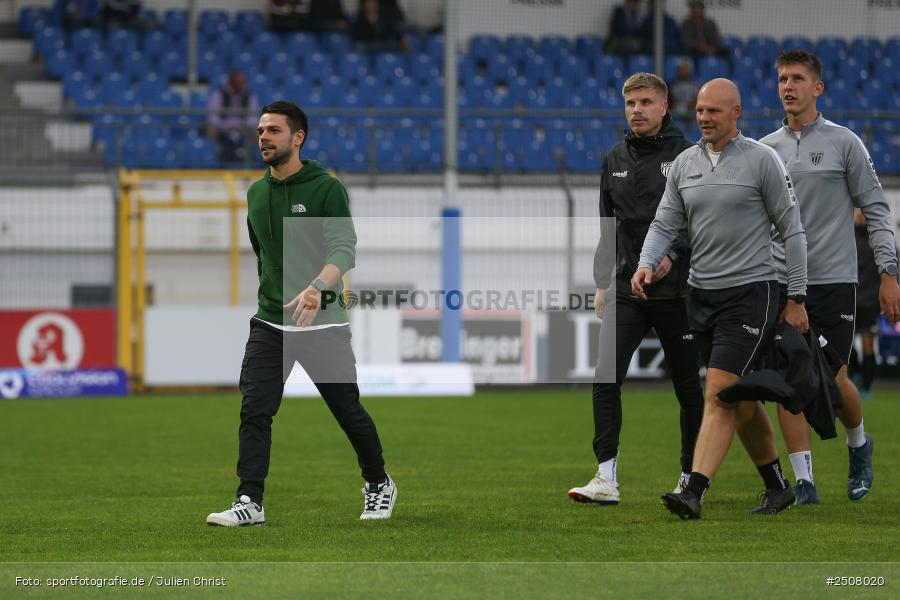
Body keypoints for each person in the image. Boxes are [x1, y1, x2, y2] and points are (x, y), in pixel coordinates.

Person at [206, 101, 396, 526]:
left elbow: (344, 250)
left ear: (298, 137)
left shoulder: (327, 188)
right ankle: (249, 501)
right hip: (271, 320)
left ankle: (379, 482)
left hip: (323, 321)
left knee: (347, 411)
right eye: (260, 130)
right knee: (255, 409)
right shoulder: (255, 194)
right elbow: (264, 255)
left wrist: (316, 288)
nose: (263, 138)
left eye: (273, 130)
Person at [634, 78, 809, 519]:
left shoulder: (762, 160)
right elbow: (664, 224)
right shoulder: (684, 165)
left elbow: (793, 230)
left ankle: (693, 489)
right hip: (702, 294)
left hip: (752, 292)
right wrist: (645, 263)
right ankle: (777, 487)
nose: (704, 118)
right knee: (741, 398)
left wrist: (798, 296)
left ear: (736, 113)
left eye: (714, 111)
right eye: (699, 111)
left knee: (719, 388)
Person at [758, 49, 900, 504]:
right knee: (786, 378)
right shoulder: (764, 150)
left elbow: (876, 210)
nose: (788, 86)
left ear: (817, 88)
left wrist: (888, 275)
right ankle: (804, 482)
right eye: (782, 78)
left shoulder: (845, 143)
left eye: (797, 78)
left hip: (835, 280)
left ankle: (859, 444)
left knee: (832, 380)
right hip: (781, 281)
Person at [568, 73, 703, 506]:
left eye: (646, 102)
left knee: (687, 388)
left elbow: (698, 221)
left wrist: (673, 255)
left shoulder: (687, 155)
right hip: (627, 288)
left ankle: (691, 475)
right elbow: (608, 227)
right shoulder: (613, 159)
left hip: (678, 291)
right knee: (605, 378)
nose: (637, 110)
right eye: (630, 103)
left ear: (664, 107)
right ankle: (605, 477)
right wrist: (602, 282)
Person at [849, 208, 882, 401]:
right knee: (846, 345)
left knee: (869, 345)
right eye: (856, 210)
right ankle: (855, 378)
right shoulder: (846, 236)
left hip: (870, 301)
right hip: (851, 299)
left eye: (863, 210)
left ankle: (866, 389)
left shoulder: (878, 236)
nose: (860, 213)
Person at [206, 71, 260, 165]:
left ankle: (257, 164)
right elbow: (212, 116)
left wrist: (243, 125)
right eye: (238, 83)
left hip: (243, 129)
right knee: (210, 130)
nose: (241, 85)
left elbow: (254, 116)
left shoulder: (249, 94)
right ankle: (211, 162)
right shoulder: (219, 94)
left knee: (259, 132)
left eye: (242, 83)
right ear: (231, 83)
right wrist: (227, 126)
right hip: (222, 129)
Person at [268, 0, 349, 33]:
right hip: (281, 34)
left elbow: (301, 22)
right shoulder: (275, 5)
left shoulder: (300, 5)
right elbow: (275, 24)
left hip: (301, 30)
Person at [667, 59, 701, 133]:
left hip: (692, 114)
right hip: (675, 114)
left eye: (687, 69)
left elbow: (699, 101)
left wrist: (691, 105)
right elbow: (669, 102)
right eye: (683, 69)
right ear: (678, 70)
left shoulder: (696, 85)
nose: (685, 71)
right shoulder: (671, 85)